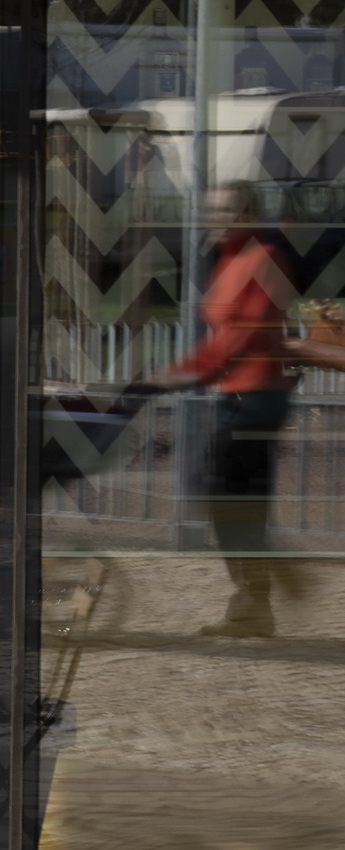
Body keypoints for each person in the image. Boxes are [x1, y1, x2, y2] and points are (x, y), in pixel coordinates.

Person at [151, 180, 296, 639]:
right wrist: (181, 369)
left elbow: (244, 333)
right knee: (225, 497)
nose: (213, 218)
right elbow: (222, 336)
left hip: (257, 397)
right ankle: (256, 598)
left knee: (229, 498)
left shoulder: (265, 259)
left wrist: (191, 372)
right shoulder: (229, 259)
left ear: (248, 215)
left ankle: (262, 591)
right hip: (235, 394)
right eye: (210, 209)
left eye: (224, 210)